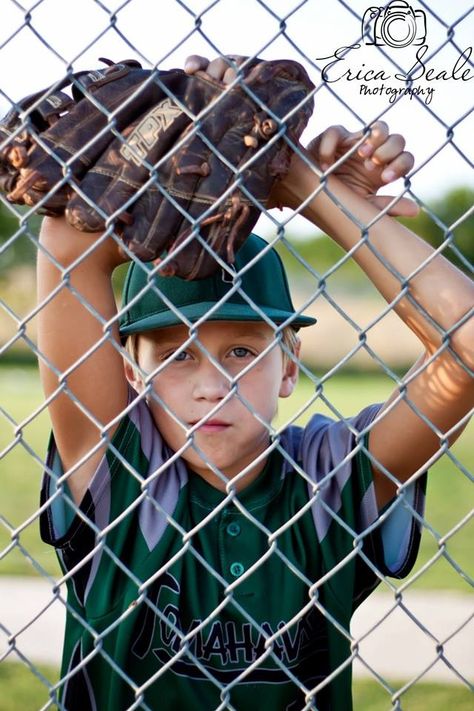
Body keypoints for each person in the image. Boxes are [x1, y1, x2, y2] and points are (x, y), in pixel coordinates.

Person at [36, 55, 473, 711]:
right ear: (131, 369)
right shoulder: (121, 467)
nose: (213, 385)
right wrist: (263, 173)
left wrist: (303, 183)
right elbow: (68, 249)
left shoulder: (326, 481)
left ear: (290, 366)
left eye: (241, 349)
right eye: (177, 354)